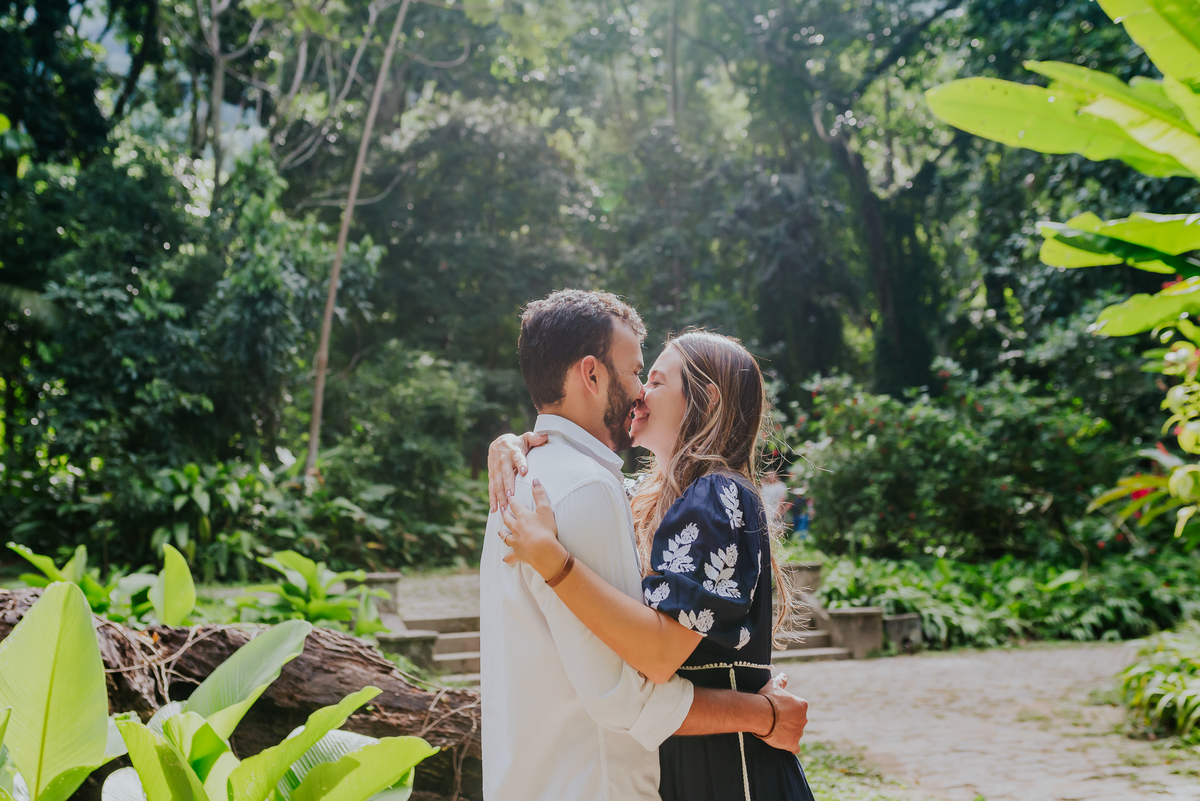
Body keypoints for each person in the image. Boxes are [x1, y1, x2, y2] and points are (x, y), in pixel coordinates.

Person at [480, 290, 809, 801]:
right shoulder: (637, 496)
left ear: (707, 401)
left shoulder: (715, 496)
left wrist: (556, 563)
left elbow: (657, 656)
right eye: (640, 375)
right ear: (591, 375)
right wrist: (512, 442)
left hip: (728, 768)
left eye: (654, 380)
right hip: (684, 764)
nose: (639, 393)